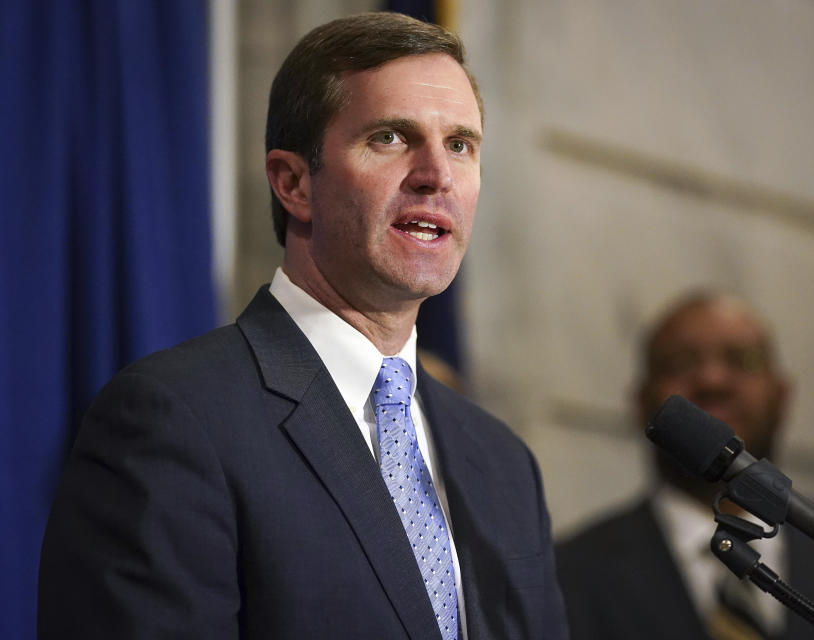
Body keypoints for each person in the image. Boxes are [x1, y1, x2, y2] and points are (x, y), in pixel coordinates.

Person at [38, 13, 567, 640]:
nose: (437, 174)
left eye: (460, 144)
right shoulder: (175, 420)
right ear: (293, 183)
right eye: (392, 138)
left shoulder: (503, 462)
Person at [556, 291, 814, 639]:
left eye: (742, 360)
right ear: (641, 403)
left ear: (782, 395)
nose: (712, 379)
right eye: (680, 362)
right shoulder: (564, 576)